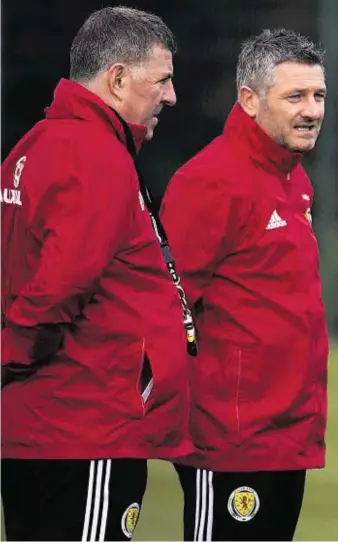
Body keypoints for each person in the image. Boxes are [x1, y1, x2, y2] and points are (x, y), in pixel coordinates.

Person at [1, 7, 196, 541]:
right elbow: (61, 284)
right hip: (82, 426)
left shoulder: (32, 146)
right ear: (116, 78)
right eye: (162, 79)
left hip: (35, 427)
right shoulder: (94, 154)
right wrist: (11, 356)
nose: (172, 96)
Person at [161, 29, 329, 541]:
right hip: (230, 440)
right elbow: (168, 305)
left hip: (286, 432)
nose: (312, 110)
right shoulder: (210, 182)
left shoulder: (293, 179)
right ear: (250, 101)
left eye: (319, 95)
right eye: (295, 96)